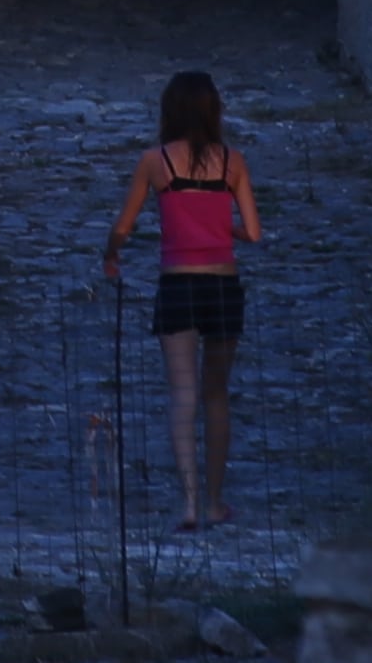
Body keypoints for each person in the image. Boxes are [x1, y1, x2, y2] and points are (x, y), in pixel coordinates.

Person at [101, 69, 261, 529]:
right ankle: (214, 500)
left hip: (177, 285)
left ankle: (188, 502)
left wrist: (110, 254)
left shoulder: (156, 162)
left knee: (183, 393)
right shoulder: (234, 162)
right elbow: (252, 232)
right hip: (223, 285)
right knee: (217, 394)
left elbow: (124, 227)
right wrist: (219, 228)